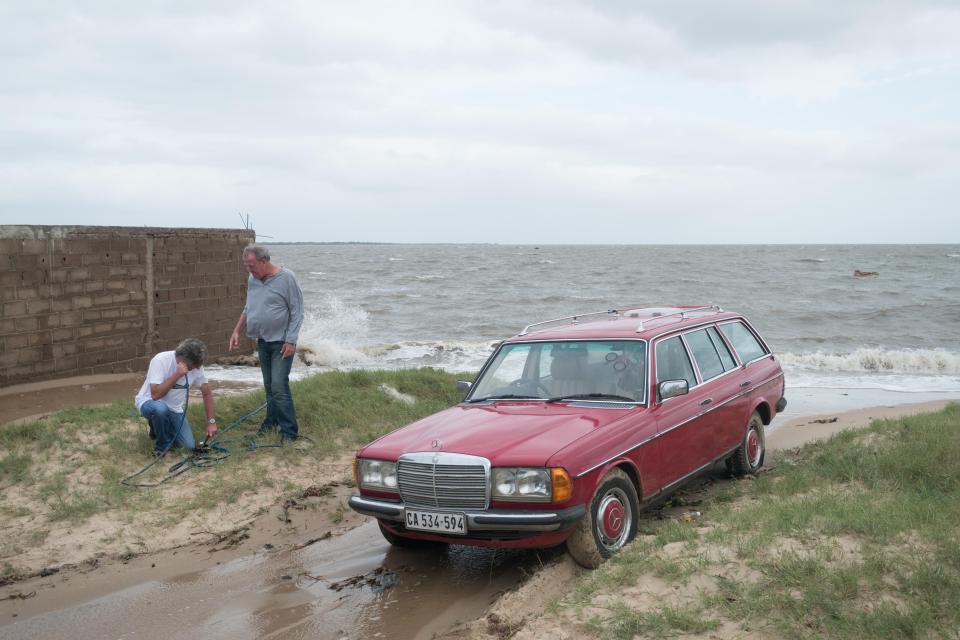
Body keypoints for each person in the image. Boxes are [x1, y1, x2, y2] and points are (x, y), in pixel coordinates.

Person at [229, 244, 304, 441]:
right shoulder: (253, 278)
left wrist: (291, 340)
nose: (249, 270)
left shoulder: (287, 278)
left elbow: (297, 311)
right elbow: (248, 307)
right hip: (263, 341)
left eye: (252, 265)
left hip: (282, 342)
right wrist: (237, 330)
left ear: (264, 261)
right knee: (269, 386)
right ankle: (271, 423)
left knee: (279, 385)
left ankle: (289, 432)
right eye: (246, 266)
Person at [134, 338, 218, 456]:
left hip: (174, 409)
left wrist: (211, 422)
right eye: (191, 367)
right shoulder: (161, 360)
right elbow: (155, 395)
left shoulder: (196, 367)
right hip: (149, 402)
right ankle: (161, 448)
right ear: (180, 358)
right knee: (160, 410)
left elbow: (206, 393)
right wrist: (177, 375)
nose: (194, 369)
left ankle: (158, 428)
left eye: (197, 367)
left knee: (188, 445)